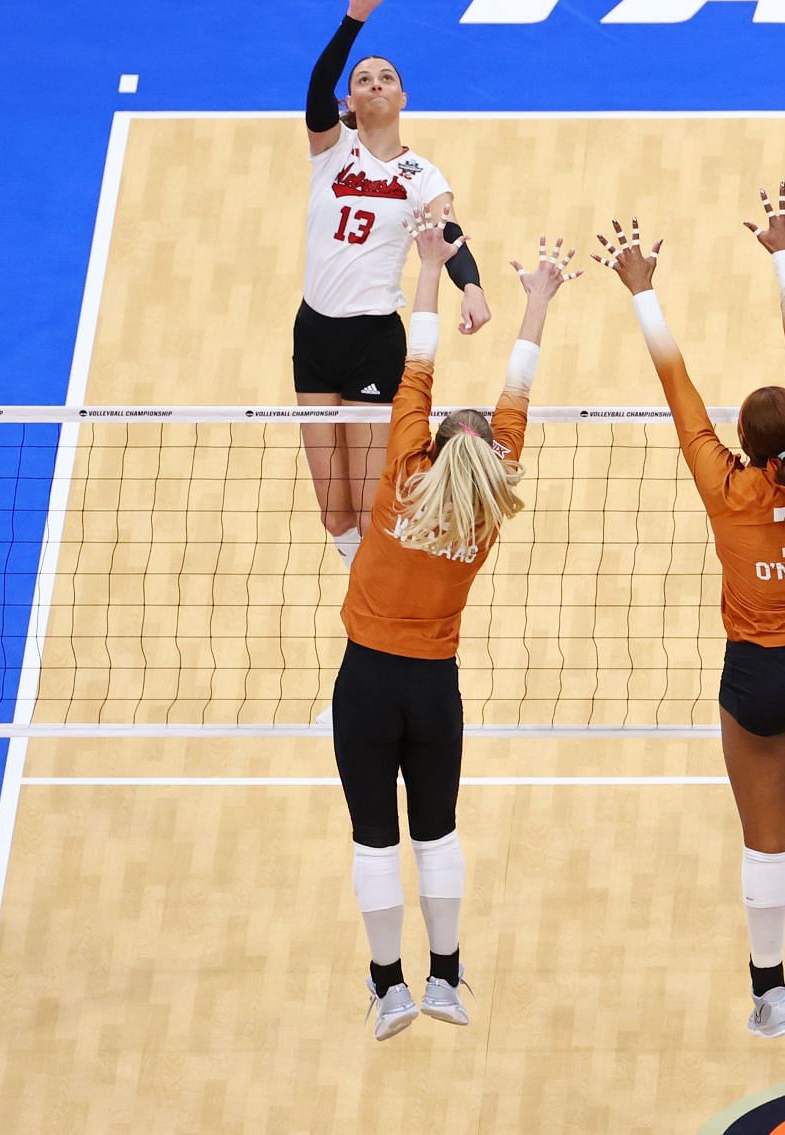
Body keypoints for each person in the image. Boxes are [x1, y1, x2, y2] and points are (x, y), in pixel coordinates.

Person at [597, 186, 785, 1046]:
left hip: (755, 678)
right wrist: (784, 253)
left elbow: (674, 381)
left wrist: (641, 287)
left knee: (767, 843)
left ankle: (774, 997)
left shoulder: (725, 486)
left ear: (745, 441)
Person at [338, 217, 574, 1039]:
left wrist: (431, 269)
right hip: (434, 690)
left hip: (367, 680)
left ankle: (386, 989)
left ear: (433, 447)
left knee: (376, 838)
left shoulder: (404, 476)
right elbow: (518, 390)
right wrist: (536, 302)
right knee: (435, 832)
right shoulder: (485, 506)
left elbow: (419, 361)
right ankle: (444, 980)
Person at [299, 0, 490, 565]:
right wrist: (354, 17)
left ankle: (371, 606)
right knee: (333, 512)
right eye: (363, 79)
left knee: (368, 500)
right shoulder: (331, 148)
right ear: (348, 102)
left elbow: (449, 236)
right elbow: (314, 89)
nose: (374, 83)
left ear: (404, 97)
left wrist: (473, 286)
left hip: (374, 339)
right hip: (313, 334)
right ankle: (360, 580)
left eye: (385, 78)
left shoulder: (422, 176)